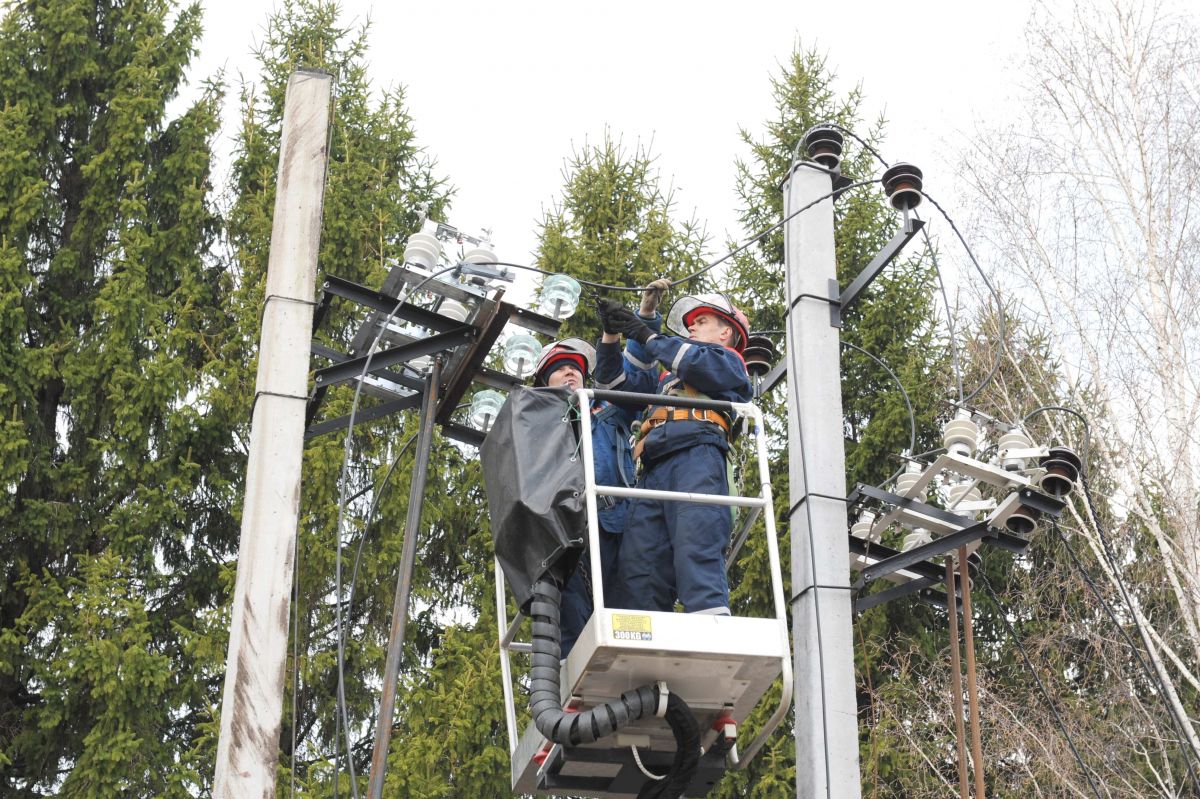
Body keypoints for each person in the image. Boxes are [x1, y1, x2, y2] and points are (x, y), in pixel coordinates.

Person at [533, 280, 669, 657]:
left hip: (616, 521)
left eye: (575, 369)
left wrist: (642, 319)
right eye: (560, 371)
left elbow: (635, 378)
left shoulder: (608, 410)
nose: (570, 374)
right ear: (545, 381)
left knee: (631, 607)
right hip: (566, 527)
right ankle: (566, 691)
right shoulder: (536, 425)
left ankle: (636, 673)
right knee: (572, 613)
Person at [594, 293, 752, 616]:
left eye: (701, 322)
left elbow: (692, 361)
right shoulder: (668, 382)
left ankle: (711, 635)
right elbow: (614, 386)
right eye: (691, 324)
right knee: (639, 566)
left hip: (697, 457)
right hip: (652, 470)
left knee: (696, 546)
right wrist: (610, 336)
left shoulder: (728, 363)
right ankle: (643, 650)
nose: (691, 327)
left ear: (726, 333)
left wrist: (647, 334)